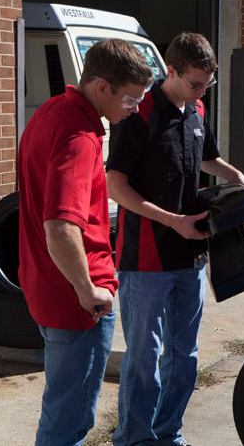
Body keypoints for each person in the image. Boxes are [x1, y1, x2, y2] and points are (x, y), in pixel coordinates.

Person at [106, 32, 244, 446]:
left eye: (208, 83)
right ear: (170, 71)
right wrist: (172, 221)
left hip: (192, 256)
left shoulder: (197, 108)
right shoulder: (139, 112)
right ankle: (134, 439)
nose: (202, 91)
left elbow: (206, 156)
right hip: (147, 260)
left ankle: (167, 434)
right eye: (195, 82)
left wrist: (231, 174)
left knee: (183, 358)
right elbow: (115, 186)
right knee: (143, 360)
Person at [18, 38, 154, 446]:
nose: (135, 108)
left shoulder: (50, 111)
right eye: (131, 98)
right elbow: (60, 226)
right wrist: (88, 289)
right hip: (77, 306)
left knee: (62, 413)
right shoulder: (79, 136)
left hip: (50, 290)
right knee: (69, 424)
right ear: (101, 87)